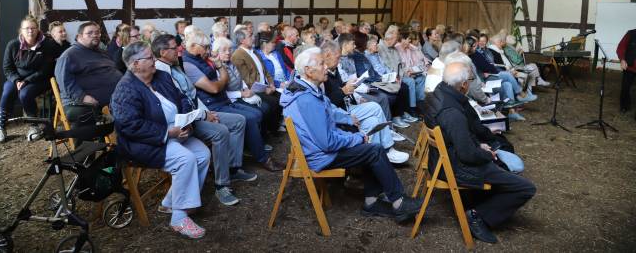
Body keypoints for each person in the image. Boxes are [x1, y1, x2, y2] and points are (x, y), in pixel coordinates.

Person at [280, 48, 422, 221]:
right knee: (374, 150)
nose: (326, 67)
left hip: (318, 150)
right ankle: (398, 202)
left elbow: (329, 109)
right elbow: (327, 143)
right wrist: (357, 138)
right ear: (308, 71)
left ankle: (372, 201)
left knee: (368, 146)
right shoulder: (307, 100)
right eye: (321, 64)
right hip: (321, 156)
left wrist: (348, 120)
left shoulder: (306, 88)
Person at [423, 62, 535, 244]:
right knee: (526, 188)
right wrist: (486, 154)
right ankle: (477, 216)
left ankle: (481, 202)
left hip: (441, 160)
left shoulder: (438, 93)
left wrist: (478, 145)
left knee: (502, 163)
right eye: (471, 79)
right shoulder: (452, 112)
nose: (472, 83)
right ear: (464, 85)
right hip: (455, 167)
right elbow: (467, 154)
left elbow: (460, 138)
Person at [111, 42, 210, 238]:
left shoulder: (161, 76)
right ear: (135, 64)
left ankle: (171, 203)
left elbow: (182, 98)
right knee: (186, 159)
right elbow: (130, 125)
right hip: (144, 143)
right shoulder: (125, 89)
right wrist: (167, 133)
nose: (155, 60)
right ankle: (179, 218)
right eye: (149, 58)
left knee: (203, 154)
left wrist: (185, 120)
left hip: (175, 132)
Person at [152, 34, 256, 206]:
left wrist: (207, 112)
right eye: (174, 48)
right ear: (163, 52)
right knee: (220, 132)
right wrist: (203, 115)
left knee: (238, 120)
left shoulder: (177, 66)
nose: (179, 49)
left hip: (199, 112)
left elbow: (191, 94)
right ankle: (221, 184)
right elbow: (179, 104)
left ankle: (232, 167)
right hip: (184, 122)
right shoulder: (161, 73)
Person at [182, 30, 282, 172]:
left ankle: (247, 156)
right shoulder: (189, 65)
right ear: (193, 46)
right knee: (251, 117)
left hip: (223, 100)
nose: (207, 51)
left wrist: (220, 75)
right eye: (205, 47)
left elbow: (225, 81)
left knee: (258, 112)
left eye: (208, 47)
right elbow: (215, 88)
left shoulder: (202, 60)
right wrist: (221, 79)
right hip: (213, 105)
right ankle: (257, 159)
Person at [0, 16, 56, 143]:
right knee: (7, 91)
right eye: (27, 28)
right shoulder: (13, 45)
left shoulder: (47, 45)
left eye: (33, 28)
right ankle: (1, 127)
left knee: (25, 93)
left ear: (38, 29)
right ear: (21, 30)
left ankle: (33, 126)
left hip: (39, 79)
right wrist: (17, 80)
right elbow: (7, 68)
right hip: (17, 78)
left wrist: (27, 81)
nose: (30, 31)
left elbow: (46, 70)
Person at [54, 21, 123, 132]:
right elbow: (64, 82)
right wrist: (82, 97)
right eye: (90, 33)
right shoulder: (69, 55)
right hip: (80, 103)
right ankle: (83, 148)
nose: (95, 35)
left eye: (97, 32)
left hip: (113, 99)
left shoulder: (102, 53)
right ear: (79, 36)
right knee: (84, 115)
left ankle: (121, 145)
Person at [618, 28, 636, 115]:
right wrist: (622, 59)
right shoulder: (631, 33)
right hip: (630, 67)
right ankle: (624, 106)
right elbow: (621, 47)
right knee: (625, 88)